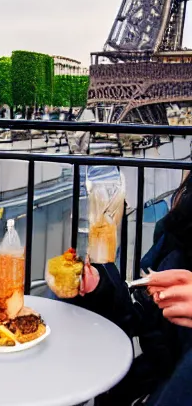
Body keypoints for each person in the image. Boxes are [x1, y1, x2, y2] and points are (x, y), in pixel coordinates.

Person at [68, 172, 192, 405]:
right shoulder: (180, 231)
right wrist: (101, 287)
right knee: (66, 297)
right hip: (159, 375)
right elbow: (145, 317)